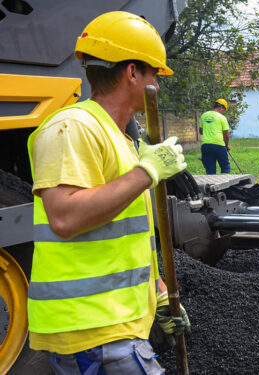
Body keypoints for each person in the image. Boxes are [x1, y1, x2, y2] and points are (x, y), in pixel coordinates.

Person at [27, 11, 190, 374]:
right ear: (132, 72)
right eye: (154, 74)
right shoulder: (72, 127)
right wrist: (147, 173)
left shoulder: (119, 139)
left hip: (113, 325)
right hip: (92, 330)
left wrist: (159, 291)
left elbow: (123, 239)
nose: (158, 87)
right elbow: (65, 217)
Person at [200, 98, 231, 174]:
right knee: (225, 166)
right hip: (219, 145)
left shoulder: (204, 115)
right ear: (221, 108)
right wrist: (226, 145)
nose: (223, 113)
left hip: (205, 145)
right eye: (223, 111)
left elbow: (201, 131)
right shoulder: (222, 118)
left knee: (210, 169)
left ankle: (211, 184)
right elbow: (226, 135)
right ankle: (225, 183)